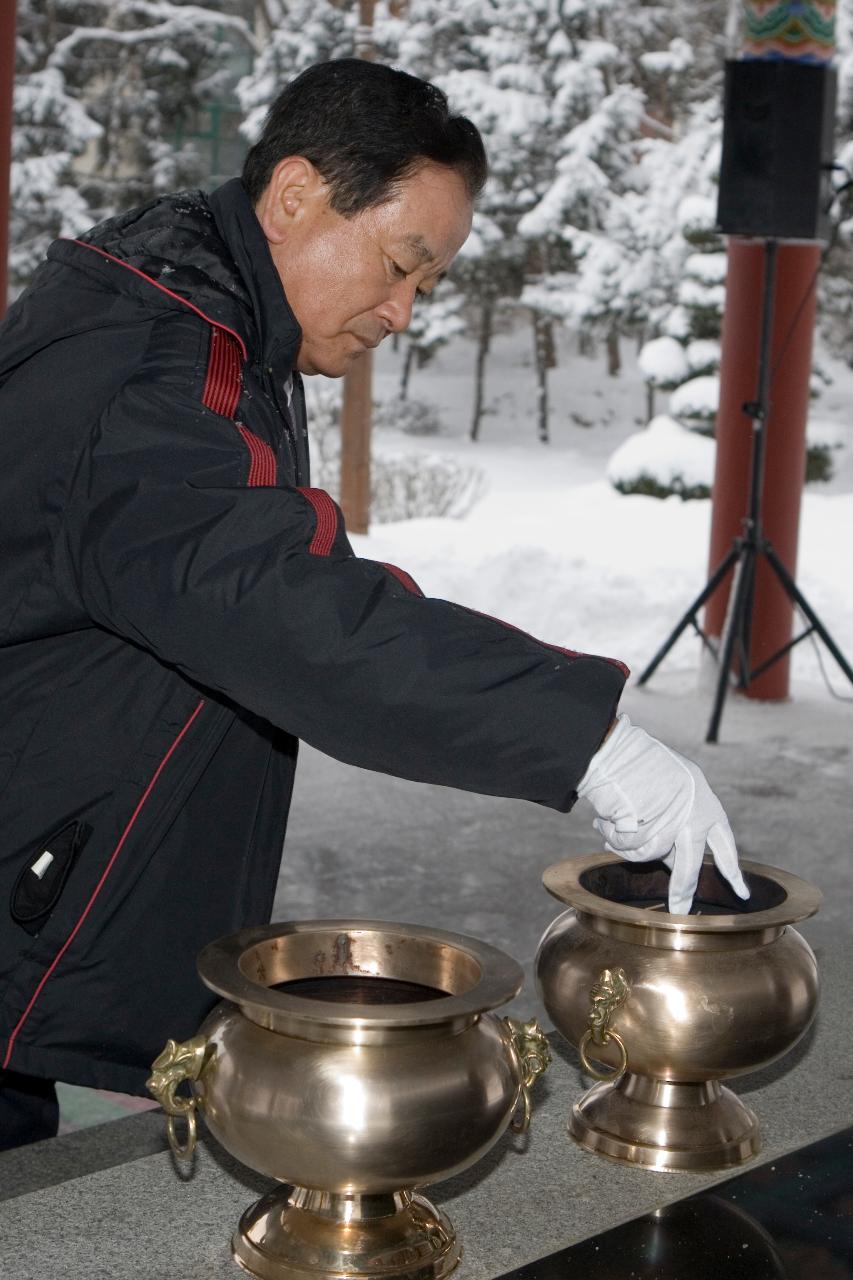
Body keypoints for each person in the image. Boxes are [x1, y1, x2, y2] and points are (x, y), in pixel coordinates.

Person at [0, 58, 747, 1151]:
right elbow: (289, 608)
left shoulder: (207, 311)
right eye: (400, 264)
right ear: (297, 193)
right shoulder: (158, 369)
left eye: (427, 284)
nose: (402, 312)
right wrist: (582, 738)